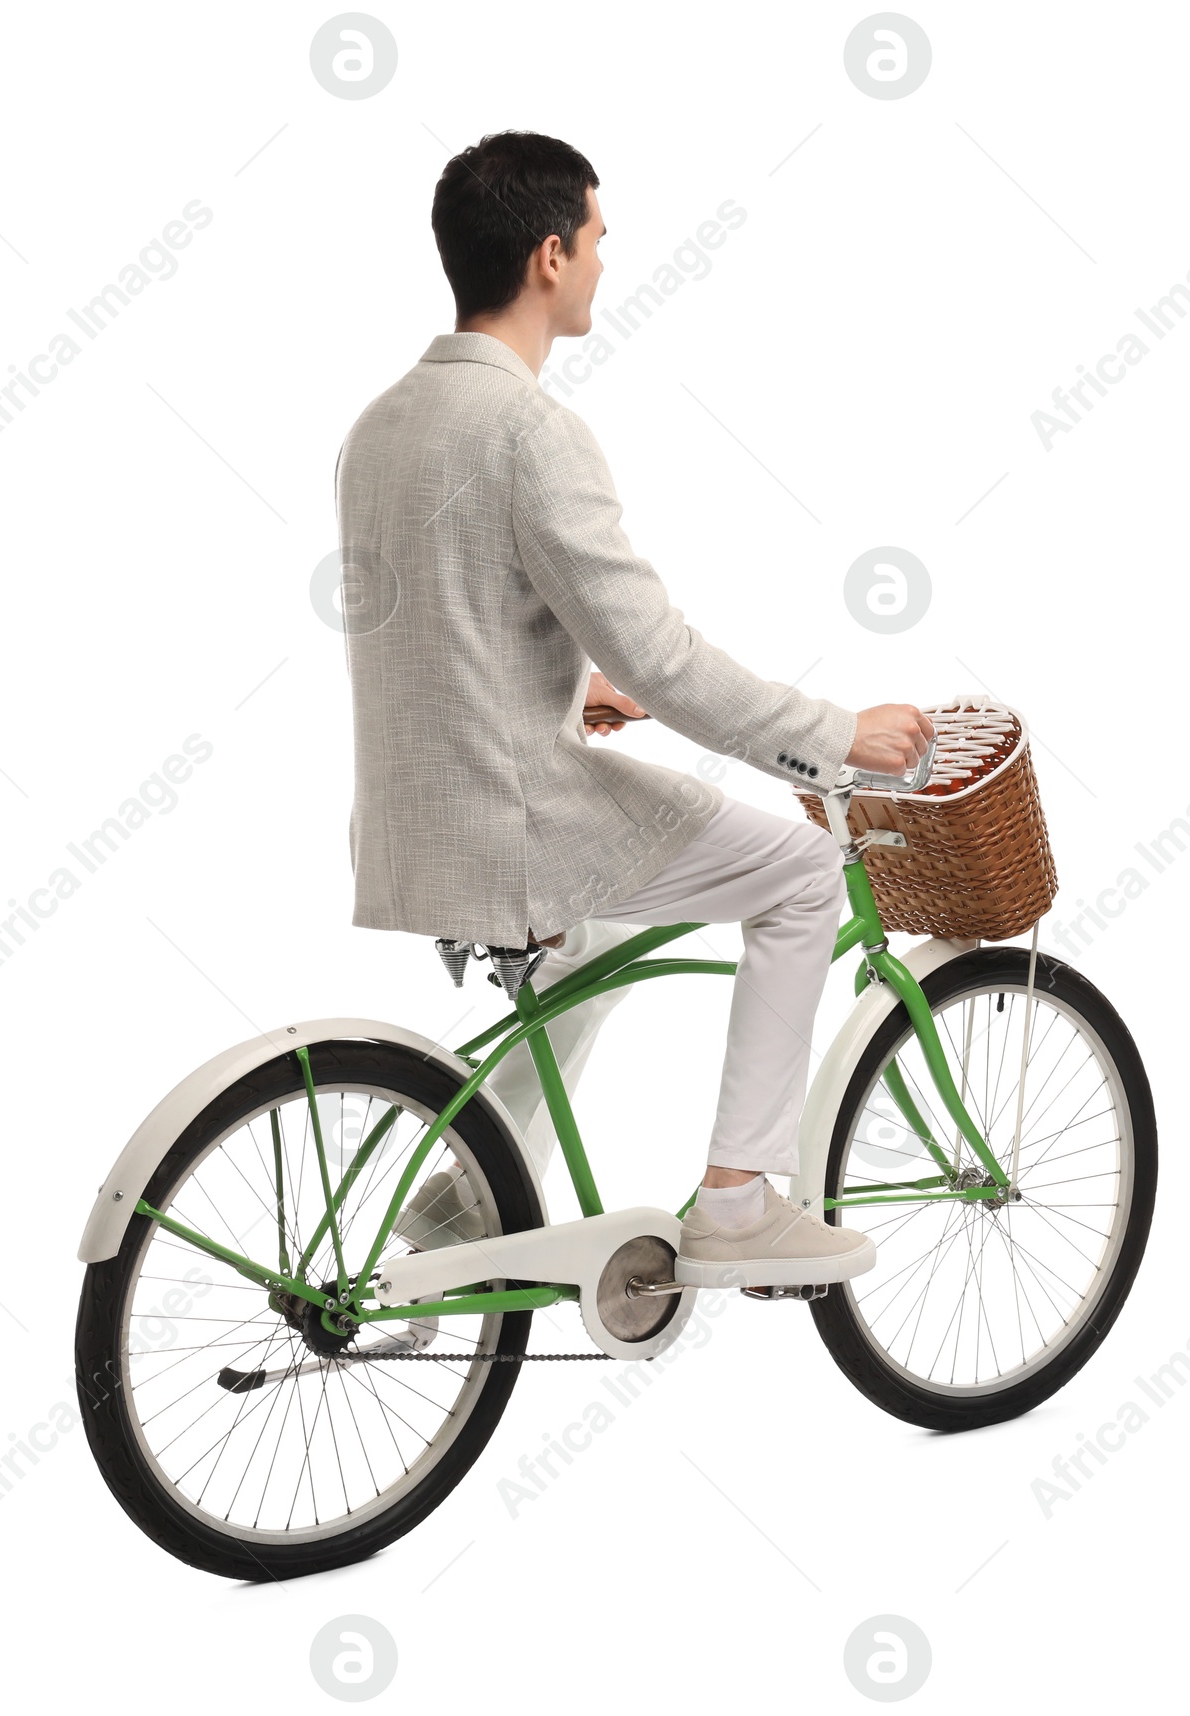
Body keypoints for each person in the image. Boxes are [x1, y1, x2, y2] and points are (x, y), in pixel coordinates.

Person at [334, 131, 932, 1285]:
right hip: (520, 820)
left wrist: (557, 685)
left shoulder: (380, 426)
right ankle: (739, 1205)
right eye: (599, 239)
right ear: (550, 255)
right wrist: (831, 737)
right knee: (804, 878)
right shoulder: (527, 431)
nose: (606, 262)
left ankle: (468, 1201)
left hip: (415, 820)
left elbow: (427, 622)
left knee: (584, 954)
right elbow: (661, 653)